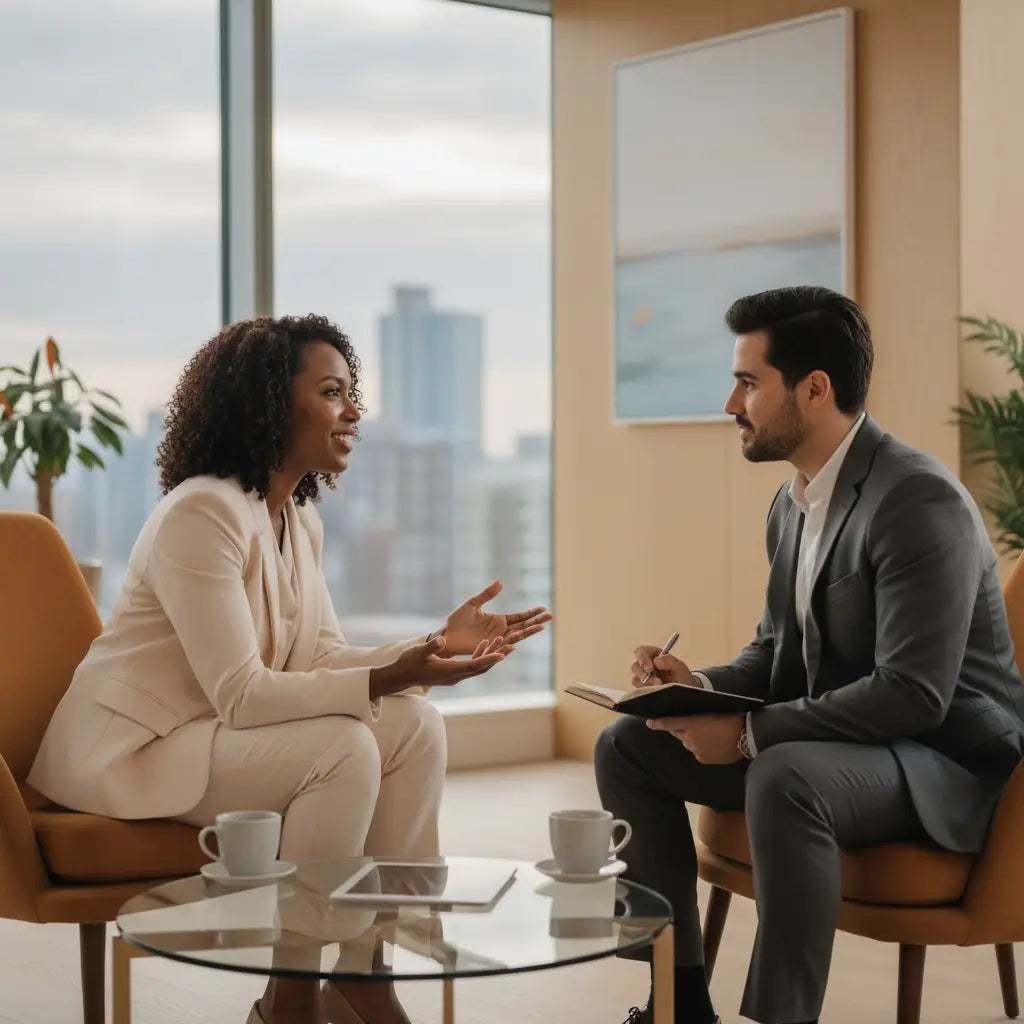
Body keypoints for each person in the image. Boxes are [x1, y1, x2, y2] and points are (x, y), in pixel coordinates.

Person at [28, 313, 550, 1024]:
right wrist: (390, 675)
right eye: (332, 392)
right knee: (343, 748)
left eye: (351, 393)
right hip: (132, 751)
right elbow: (242, 695)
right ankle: (290, 997)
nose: (353, 411)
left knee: (415, 726)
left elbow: (321, 657)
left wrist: (434, 647)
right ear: (271, 403)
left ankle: (364, 976)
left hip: (210, 735)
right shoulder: (201, 512)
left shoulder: (297, 520)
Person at [595, 286, 1024, 1024]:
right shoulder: (793, 502)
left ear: (815, 389)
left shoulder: (917, 501)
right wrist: (694, 687)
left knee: (783, 774)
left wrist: (748, 734)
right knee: (627, 743)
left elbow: (914, 694)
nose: (731, 404)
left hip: (944, 763)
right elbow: (776, 652)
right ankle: (676, 1004)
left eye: (748, 382)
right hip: (851, 746)